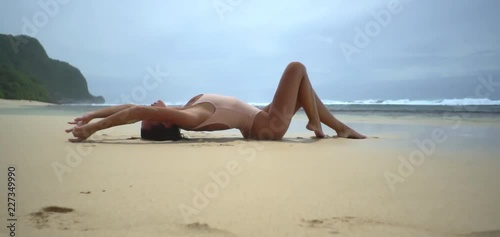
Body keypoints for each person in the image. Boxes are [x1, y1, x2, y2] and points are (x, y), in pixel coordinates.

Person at [66, 62, 366, 142]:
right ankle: (317, 123)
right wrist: (94, 130)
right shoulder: (190, 117)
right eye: (152, 112)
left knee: (303, 89)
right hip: (269, 127)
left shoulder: (183, 111)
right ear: (163, 120)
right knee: (296, 69)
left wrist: (92, 115)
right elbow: (134, 112)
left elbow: (127, 108)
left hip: (259, 120)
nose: (152, 105)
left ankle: (339, 128)